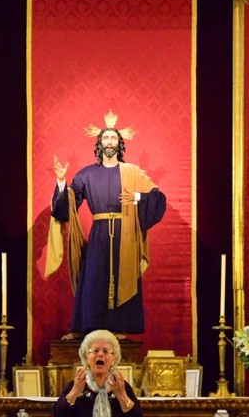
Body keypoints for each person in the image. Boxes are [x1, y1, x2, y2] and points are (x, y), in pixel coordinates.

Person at [45, 110, 166, 339]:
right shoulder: (86, 174)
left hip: (125, 234)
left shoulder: (132, 172)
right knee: (93, 278)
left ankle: (119, 327)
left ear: (120, 144)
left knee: (123, 277)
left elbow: (158, 199)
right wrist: (61, 181)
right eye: (106, 138)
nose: (109, 142)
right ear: (99, 144)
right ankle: (87, 327)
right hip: (99, 233)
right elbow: (69, 204)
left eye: (113, 138)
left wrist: (137, 197)